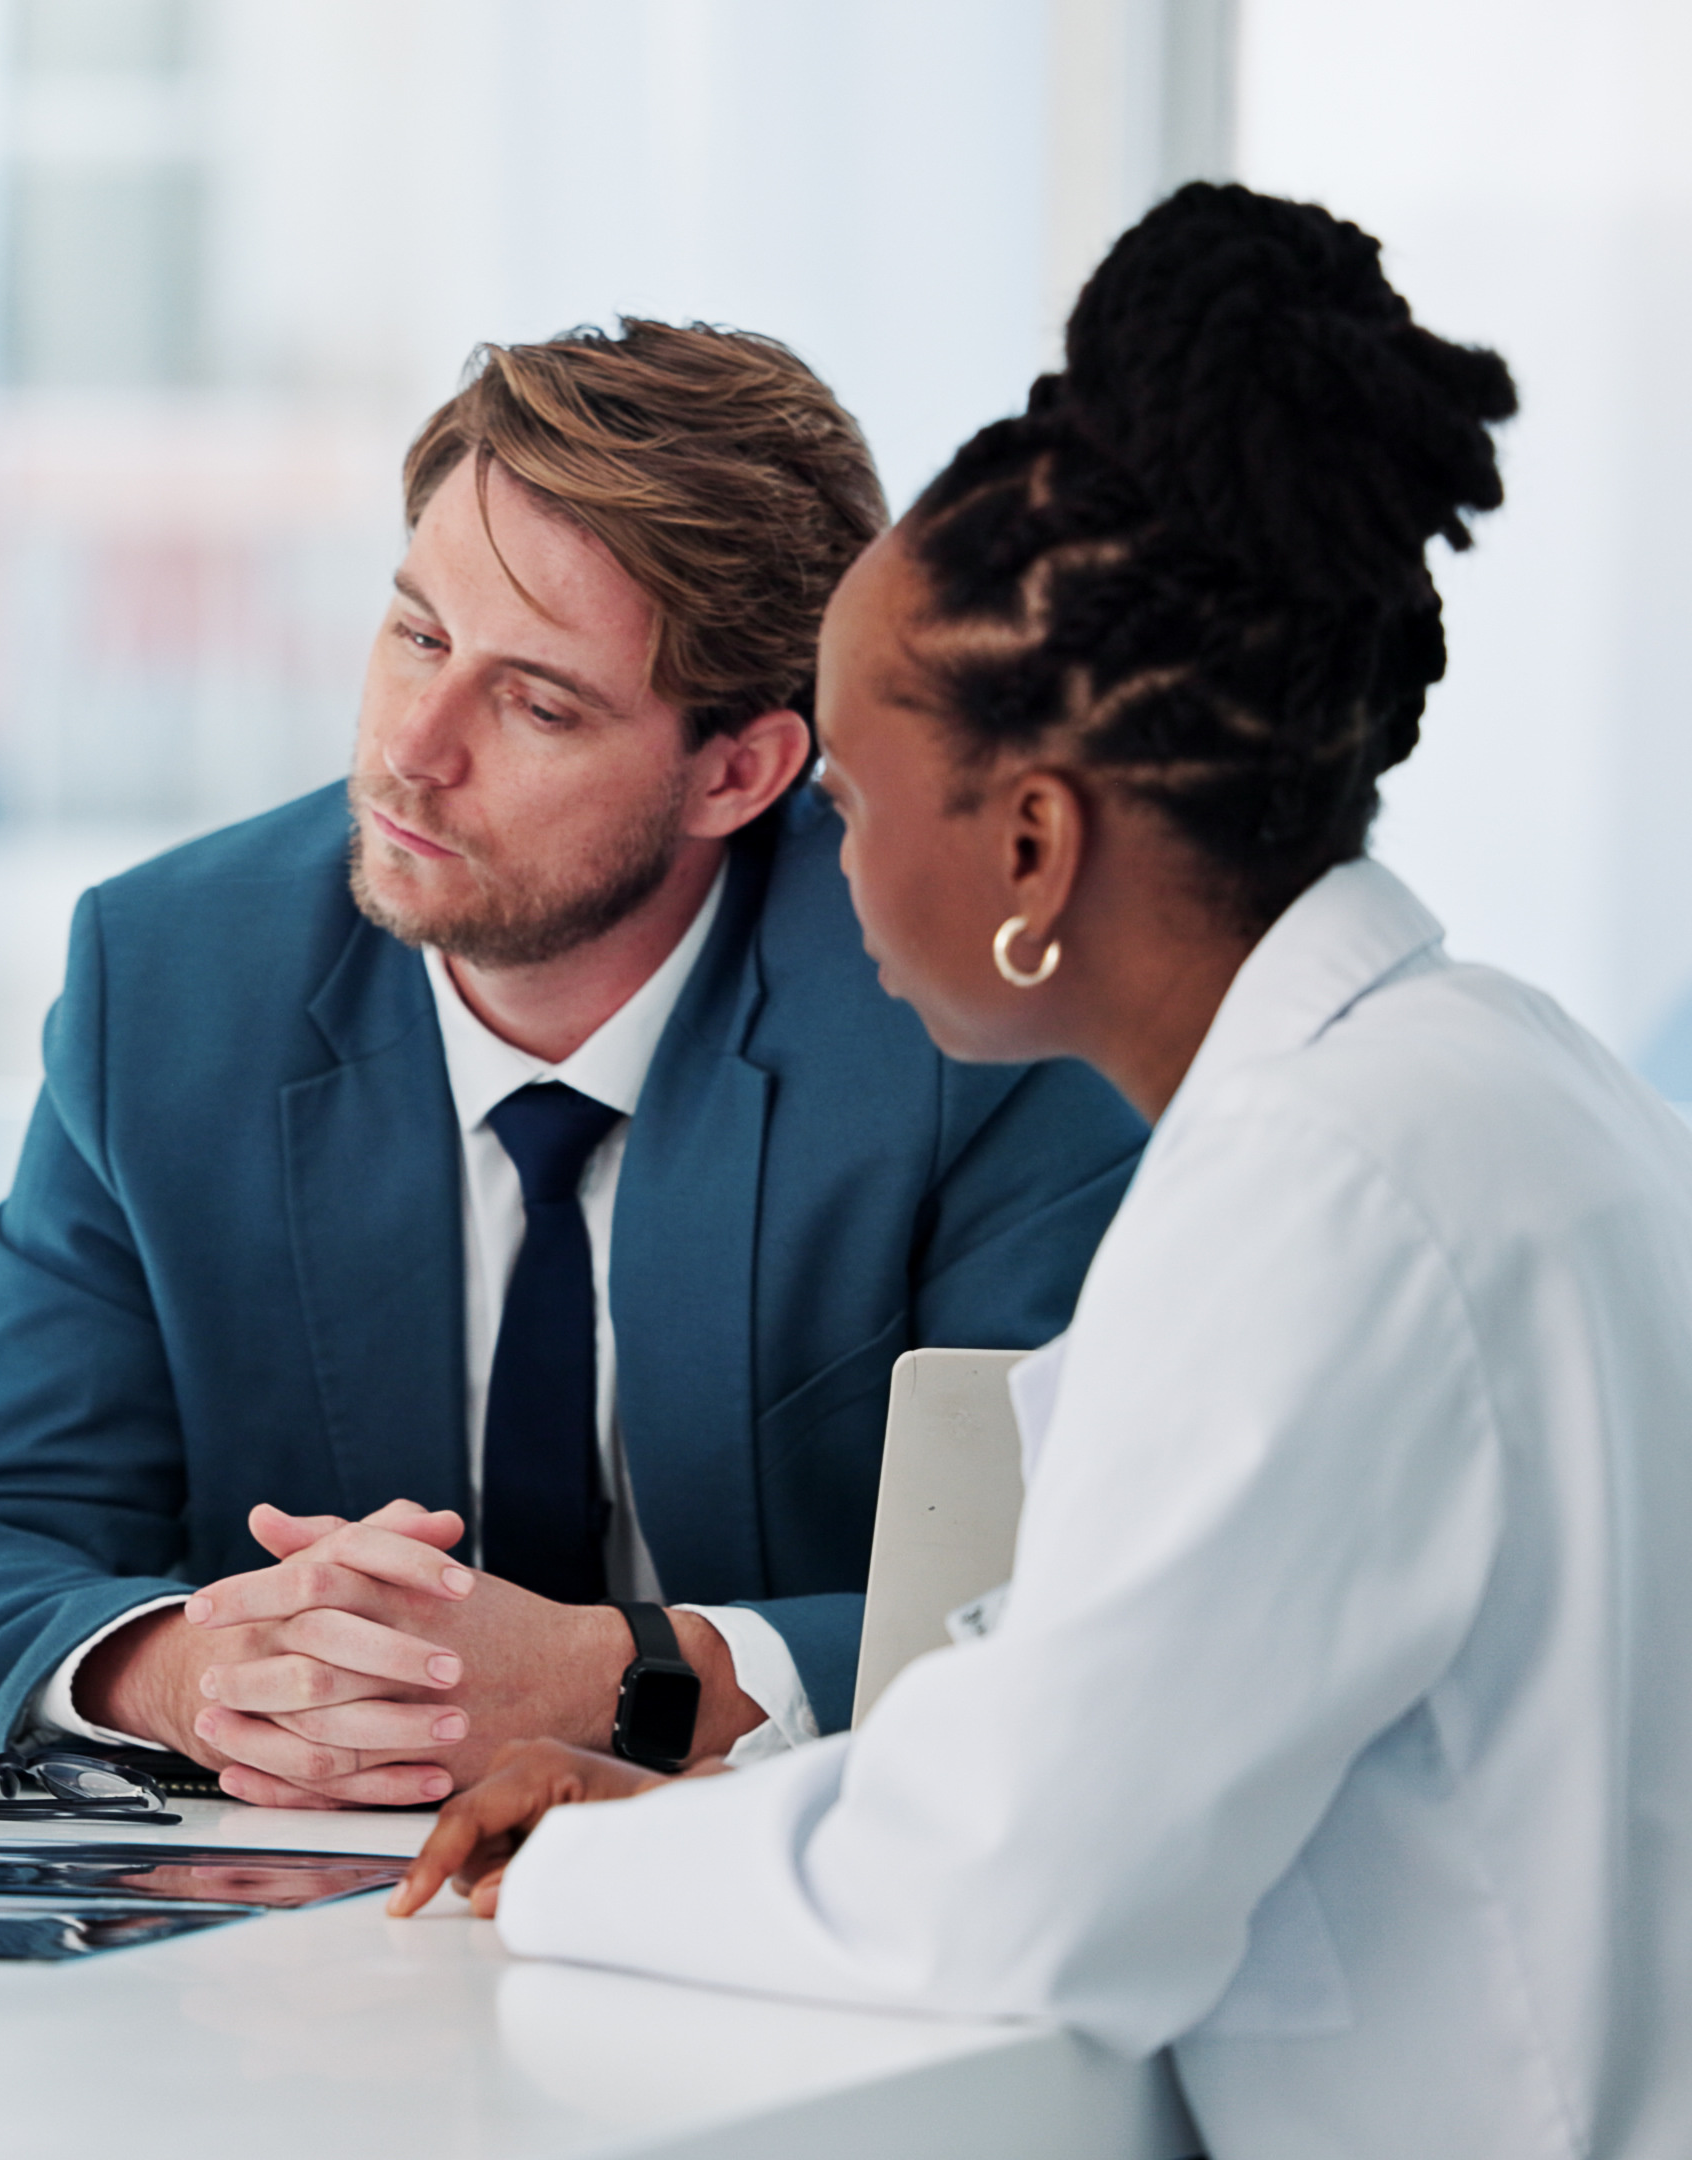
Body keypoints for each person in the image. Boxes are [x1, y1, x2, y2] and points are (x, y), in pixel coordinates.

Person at [389, 184, 1689, 2156]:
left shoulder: (1318, 1189)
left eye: (840, 795)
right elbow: (1051, 1717)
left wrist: (560, 1869)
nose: (820, 867)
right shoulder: (1485, 1086)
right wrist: (718, 1822)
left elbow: (1019, 1894)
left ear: (1026, 852)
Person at [0, 323, 1152, 1804]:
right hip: (300, 1958)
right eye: (418, 634)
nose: (413, 749)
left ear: (740, 770)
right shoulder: (168, 980)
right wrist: (192, 1669)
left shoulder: (961, 1016)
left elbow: (1079, 1601)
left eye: (537, 703)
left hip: (794, 1921)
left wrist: (628, 1678)